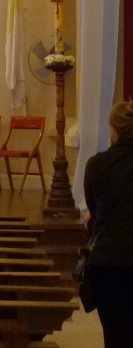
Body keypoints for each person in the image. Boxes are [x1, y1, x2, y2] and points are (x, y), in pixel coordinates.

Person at [82, 100, 133, 347]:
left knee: (114, 333)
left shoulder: (97, 164)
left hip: (108, 261)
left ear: (114, 130)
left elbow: (94, 210)